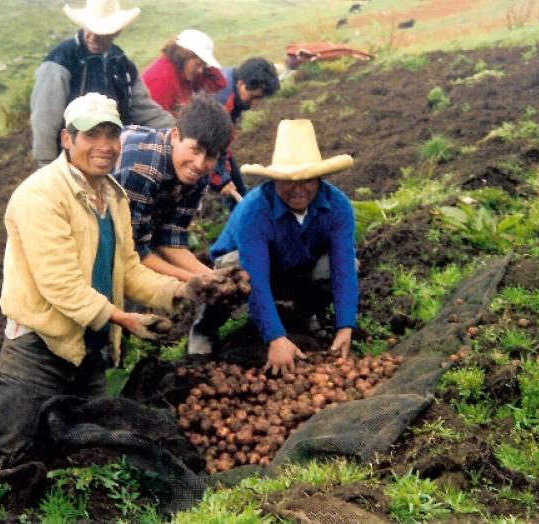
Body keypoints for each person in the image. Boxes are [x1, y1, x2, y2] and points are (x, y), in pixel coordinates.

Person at [0, 93, 244, 502]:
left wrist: (183, 289)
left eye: (111, 134)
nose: (104, 146)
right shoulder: (41, 195)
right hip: (39, 345)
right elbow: (61, 286)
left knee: (96, 440)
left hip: (88, 348)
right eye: (91, 135)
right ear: (67, 139)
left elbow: (127, 268)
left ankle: (76, 506)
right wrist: (125, 320)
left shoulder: (112, 197)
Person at [188, 120, 358, 376]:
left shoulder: (338, 206)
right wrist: (274, 338)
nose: (298, 189)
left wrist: (345, 326)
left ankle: (302, 316)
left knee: (344, 266)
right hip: (246, 268)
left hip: (297, 265)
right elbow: (255, 278)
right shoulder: (254, 211)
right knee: (233, 272)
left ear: (320, 179)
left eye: (307, 180)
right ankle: (204, 329)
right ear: (275, 180)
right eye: (288, 180)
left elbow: (344, 267)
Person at [30, 0, 174, 166]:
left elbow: (145, 109)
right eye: (89, 29)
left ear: (116, 32)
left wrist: (179, 132)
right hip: (70, 160)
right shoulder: (60, 62)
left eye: (99, 32)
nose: (91, 36)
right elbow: (45, 118)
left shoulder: (122, 63)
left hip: (112, 156)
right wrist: (46, 163)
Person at [114, 94, 233, 283]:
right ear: (176, 135)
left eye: (211, 157)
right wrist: (195, 280)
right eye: (194, 150)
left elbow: (170, 237)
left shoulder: (197, 173)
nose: (199, 164)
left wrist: (214, 277)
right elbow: (133, 252)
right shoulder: (143, 171)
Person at [212, 57, 281, 209]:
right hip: (190, 148)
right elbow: (206, 146)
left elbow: (223, 144)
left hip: (211, 143)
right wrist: (221, 179)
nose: (255, 104)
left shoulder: (234, 84)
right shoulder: (222, 99)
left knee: (238, 187)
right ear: (241, 83)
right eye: (254, 97)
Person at [141, 29, 226, 116]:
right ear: (183, 55)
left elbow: (218, 84)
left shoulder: (183, 72)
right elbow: (154, 122)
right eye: (198, 64)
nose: (200, 70)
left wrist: (208, 65)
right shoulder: (162, 80)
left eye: (204, 65)